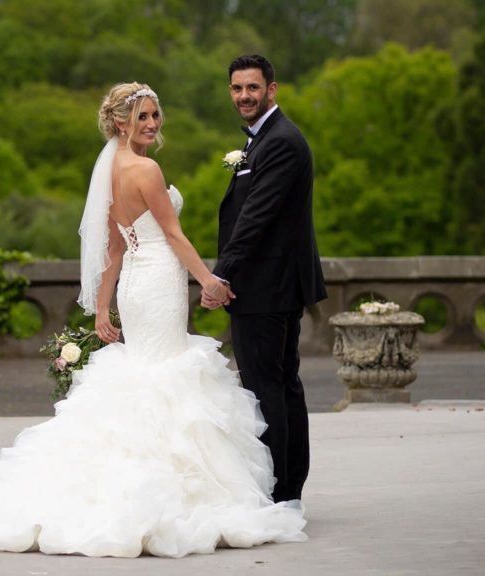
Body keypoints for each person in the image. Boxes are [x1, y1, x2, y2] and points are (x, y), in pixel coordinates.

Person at [0, 82, 307, 558]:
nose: (153, 124)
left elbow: (114, 246)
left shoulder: (111, 170)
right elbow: (172, 235)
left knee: (146, 373)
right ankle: (166, 491)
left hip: (135, 284)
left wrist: (104, 306)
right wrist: (209, 281)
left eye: (156, 115)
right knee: (165, 374)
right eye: (143, 117)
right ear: (120, 123)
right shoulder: (146, 169)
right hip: (157, 282)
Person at [202, 55, 328, 504]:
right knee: (279, 383)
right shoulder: (263, 141)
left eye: (252, 88)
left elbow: (254, 219)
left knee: (267, 387)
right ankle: (288, 488)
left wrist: (220, 277)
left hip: (266, 286)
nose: (243, 96)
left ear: (272, 90)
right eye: (236, 88)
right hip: (269, 284)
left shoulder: (282, 142)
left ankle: (279, 491)